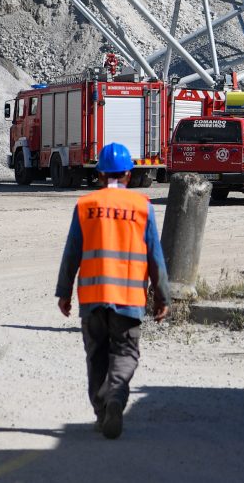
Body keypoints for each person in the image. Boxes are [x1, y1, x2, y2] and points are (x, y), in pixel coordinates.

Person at [55, 142, 171, 440]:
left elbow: (72, 253)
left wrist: (64, 292)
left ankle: (101, 410)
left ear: (99, 176)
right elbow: (155, 256)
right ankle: (116, 397)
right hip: (129, 300)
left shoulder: (85, 206)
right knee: (125, 353)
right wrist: (161, 296)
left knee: (96, 356)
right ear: (128, 175)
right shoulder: (142, 207)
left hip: (93, 300)